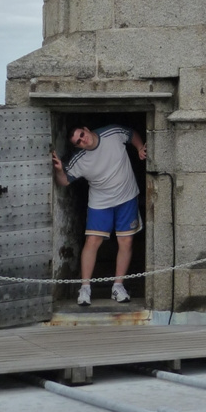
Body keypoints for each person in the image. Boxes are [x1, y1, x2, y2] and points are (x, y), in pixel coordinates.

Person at [52, 124, 147, 305]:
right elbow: (64, 181)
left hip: (127, 197)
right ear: (78, 146)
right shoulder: (78, 159)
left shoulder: (112, 134)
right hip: (100, 203)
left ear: (86, 129)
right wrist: (58, 170)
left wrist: (140, 148)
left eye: (82, 134)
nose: (83, 140)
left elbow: (132, 133)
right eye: (78, 141)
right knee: (92, 241)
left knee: (126, 241)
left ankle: (118, 286)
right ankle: (85, 288)